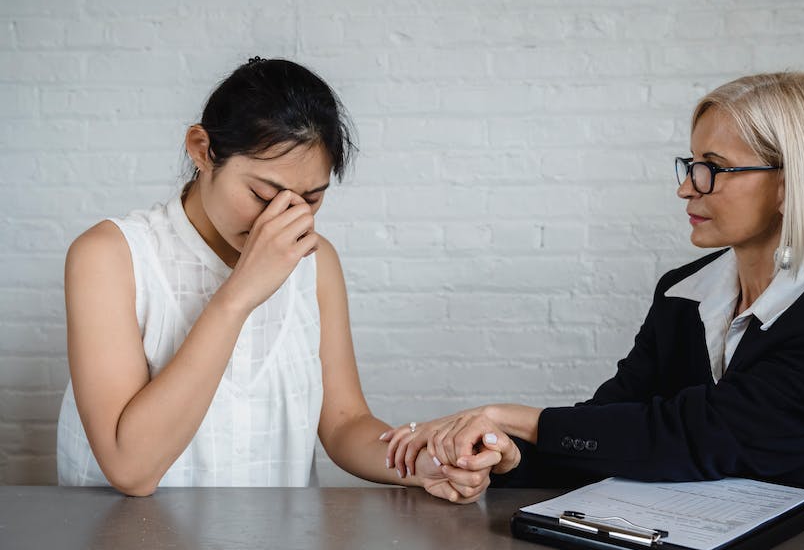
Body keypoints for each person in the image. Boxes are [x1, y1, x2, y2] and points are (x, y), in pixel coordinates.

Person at [384, 71, 804, 493]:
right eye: (692, 164)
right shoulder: (682, 294)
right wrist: (507, 456)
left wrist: (505, 414)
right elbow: (613, 425)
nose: (686, 187)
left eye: (712, 169)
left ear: (790, 186)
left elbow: (695, 437)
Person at [56, 57, 490, 502]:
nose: (281, 220)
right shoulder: (110, 256)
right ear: (202, 149)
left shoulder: (317, 263)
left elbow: (344, 424)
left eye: (311, 198)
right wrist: (241, 292)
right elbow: (131, 468)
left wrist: (423, 461)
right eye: (262, 194)